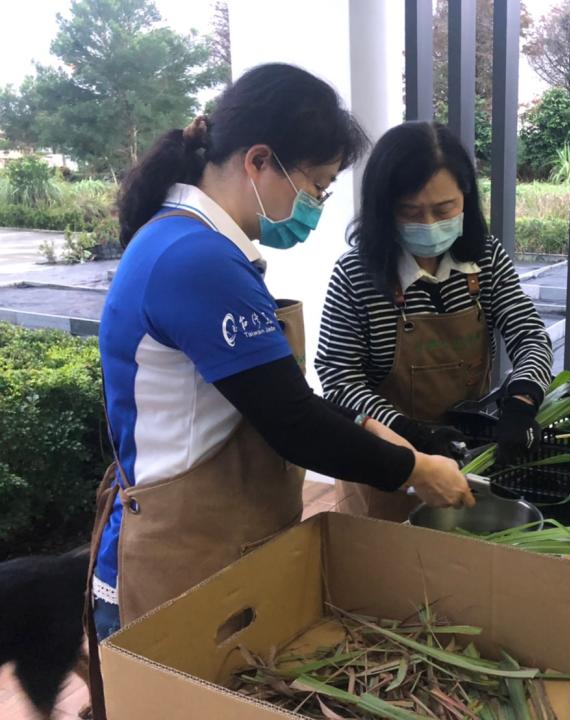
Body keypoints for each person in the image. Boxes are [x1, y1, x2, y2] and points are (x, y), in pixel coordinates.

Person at [88, 65, 473, 649]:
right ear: (260, 161)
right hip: (183, 557)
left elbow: (271, 396)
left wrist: (373, 426)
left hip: (219, 542)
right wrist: (416, 472)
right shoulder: (196, 259)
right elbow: (293, 425)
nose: (317, 204)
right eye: (317, 185)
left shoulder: (199, 245)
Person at [316, 122, 554, 521]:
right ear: (383, 207)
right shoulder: (356, 275)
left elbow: (528, 333)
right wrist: (410, 433)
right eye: (410, 212)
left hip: (468, 458)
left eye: (444, 210)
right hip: (386, 463)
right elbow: (339, 378)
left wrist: (522, 400)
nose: (428, 224)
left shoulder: (486, 259)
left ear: (466, 199)